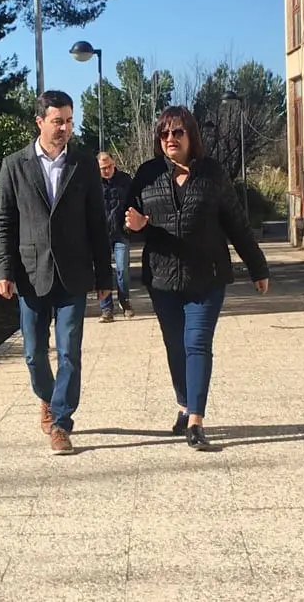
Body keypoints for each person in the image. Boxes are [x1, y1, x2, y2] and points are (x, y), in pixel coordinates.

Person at [124, 107, 270, 451]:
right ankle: (184, 403)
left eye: (178, 132)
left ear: (191, 135)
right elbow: (125, 220)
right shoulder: (147, 174)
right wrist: (135, 226)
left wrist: (258, 267)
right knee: (175, 346)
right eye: (164, 134)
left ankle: (195, 422)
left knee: (197, 343)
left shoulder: (212, 174)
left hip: (207, 277)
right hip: (162, 278)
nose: (170, 139)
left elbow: (237, 223)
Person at [0, 91, 112, 455]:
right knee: (33, 353)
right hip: (31, 274)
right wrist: (3, 269)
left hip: (73, 274)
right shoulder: (14, 165)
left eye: (69, 121)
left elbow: (97, 223)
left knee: (70, 351)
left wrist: (105, 278)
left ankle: (61, 422)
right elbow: (4, 221)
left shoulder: (83, 165)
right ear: (40, 122)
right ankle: (47, 397)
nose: (64, 128)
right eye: (57, 121)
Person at [97, 151, 134, 322]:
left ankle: (125, 301)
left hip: (120, 232)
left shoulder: (125, 180)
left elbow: (134, 202)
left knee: (122, 269)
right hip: (101, 234)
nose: (107, 170)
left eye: (109, 166)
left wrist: (129, 223)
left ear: (114, 164)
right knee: (103, 271)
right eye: (103, 168)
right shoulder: (93, 183)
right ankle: (106, 309)